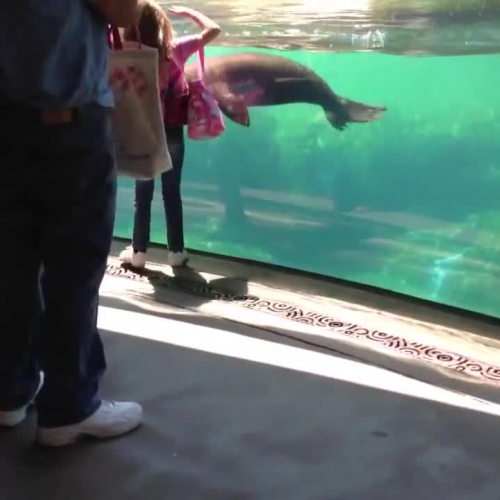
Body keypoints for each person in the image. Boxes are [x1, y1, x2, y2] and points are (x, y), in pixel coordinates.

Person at [0, 0, 143, 447]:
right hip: (67, 125)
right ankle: (68, 408)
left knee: (10, 265)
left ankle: (9, 392)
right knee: (73, 270)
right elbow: (123, 12)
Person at [119, 1, 221, 269]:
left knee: (143, 193)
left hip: (144, 129)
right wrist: (190, 13)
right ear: (162, 24)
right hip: (172, 130)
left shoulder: (128, 51)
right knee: (171, 192)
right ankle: (176, 252)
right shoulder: (175, 49)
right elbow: (214, 30)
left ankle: (139, 253)